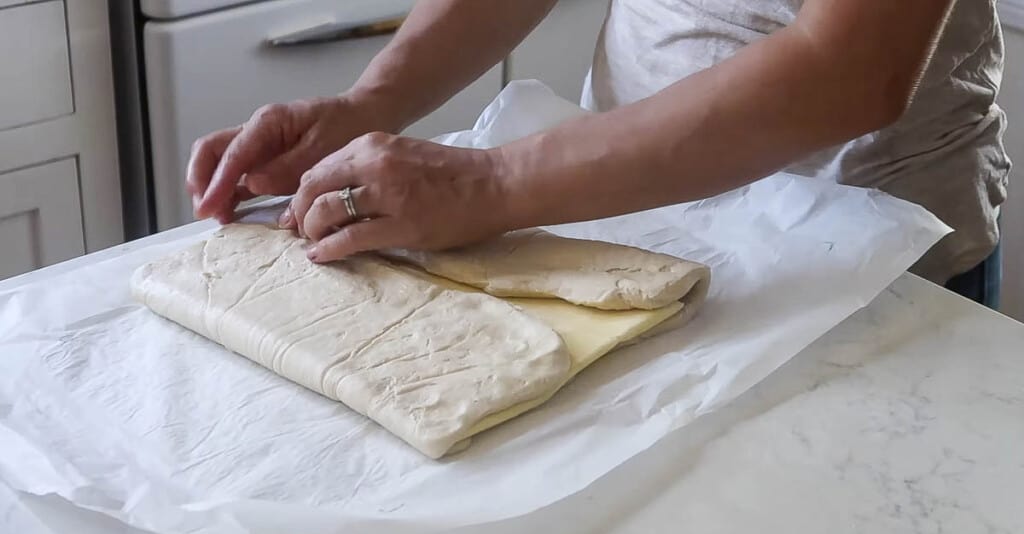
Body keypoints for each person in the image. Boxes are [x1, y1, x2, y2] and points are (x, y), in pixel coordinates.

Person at [187, 0, 1009, 307]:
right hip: (628, 213)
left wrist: (493, 181)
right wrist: (371, 101)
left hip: (865, 248)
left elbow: (852, 69)